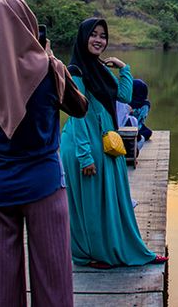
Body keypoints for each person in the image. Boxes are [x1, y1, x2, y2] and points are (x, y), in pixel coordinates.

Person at [0, 0, 88, 307]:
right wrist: (51, 61)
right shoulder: (50, 70)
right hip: (44, 185)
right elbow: (80, 108)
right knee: (53, 280)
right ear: (28, 25)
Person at [60, 17, 168, 268]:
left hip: (106, 141)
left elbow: (123, 96)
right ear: (83, 37)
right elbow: (78, 116)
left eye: (103, 35)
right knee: (93, 202)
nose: (99, 40)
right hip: (85, 142)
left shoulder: (99, 68)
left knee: (113, 198)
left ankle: (117, 248)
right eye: (94, 34)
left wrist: (124, 69)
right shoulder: (75, 71)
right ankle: (91, 254)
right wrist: (85, 156)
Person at [129, 79, 153, 143]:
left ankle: (137, 136)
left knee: (148, 132)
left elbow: (141, 118)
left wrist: (133, 112)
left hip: (137, 125)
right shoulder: (127, 101)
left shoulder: (145, 104)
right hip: (128, 124)